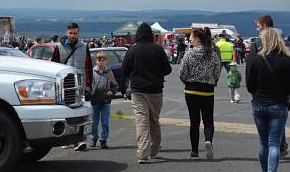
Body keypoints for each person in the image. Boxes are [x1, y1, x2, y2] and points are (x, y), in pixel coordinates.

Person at [246, 28, 290, 172]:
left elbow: (249, 85)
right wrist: (287, 96)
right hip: (278, 104)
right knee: (274, 143)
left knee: (263, 142)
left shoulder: (255, 60)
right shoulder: (287, 61)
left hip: (259, 103)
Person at [116, 23, 172, 164]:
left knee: (141, 121)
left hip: (138, 90)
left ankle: (142, 154)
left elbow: (124, 71)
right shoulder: (158, 49)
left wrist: (123, 88)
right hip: (156, 91)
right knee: (154, 120)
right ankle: (154, 151)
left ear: (138, 35)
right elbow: (168, 70)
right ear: (151, 36)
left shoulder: (133, 50)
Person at [179, 27, 221, 159]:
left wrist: (187, 81)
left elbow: (182, 73)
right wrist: (212, 81)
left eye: (191, 37)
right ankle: (208, 140)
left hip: (191, 90)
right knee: (208, 120)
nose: (189, 39)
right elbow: (217, 72)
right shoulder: (212, 54)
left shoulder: (189, 53)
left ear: (197, 38)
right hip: (207, 91)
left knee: (194, 121)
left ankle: (194, 151)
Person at [51, 23, 93, 151]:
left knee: (81, 113)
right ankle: (66, 139)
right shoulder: (59, 47)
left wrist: (88, 85)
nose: (73, 35)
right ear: (67, 32)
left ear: (78, 33)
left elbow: (88, 67)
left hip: (80, 86)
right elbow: (53, 67)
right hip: (63, 87)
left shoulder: (84, 47)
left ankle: (79, 140)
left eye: (75, 33)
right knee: (65, 113)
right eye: (71, 33)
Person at [89, 51, 119, 148]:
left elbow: (115, 85)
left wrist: (112, 91)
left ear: (106, 61)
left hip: (106, 100)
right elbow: (88, 85)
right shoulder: (92, 72)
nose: (101, 62)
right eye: (99, 60)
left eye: (103, 60)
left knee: (105, 122)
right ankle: (94, 138)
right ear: (96, 61)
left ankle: (103, 140)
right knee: (94, 122)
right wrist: (90, 93)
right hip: (95, 100)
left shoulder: (109, 72)